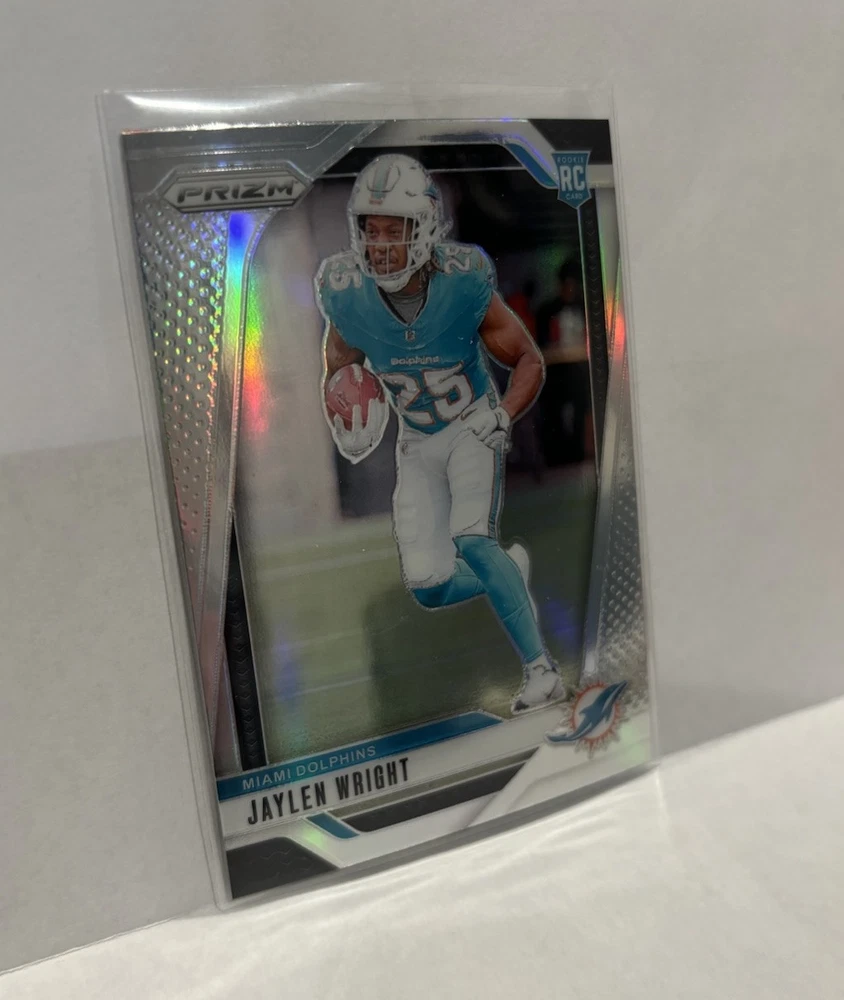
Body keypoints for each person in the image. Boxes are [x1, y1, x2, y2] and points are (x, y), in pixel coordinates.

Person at [314, 154, 566, 714]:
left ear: (425, 229)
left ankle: (542, 672)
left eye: (394, 230)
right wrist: (345, 409)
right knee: (428, 587)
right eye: (371, 231)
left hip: (469, 424)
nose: (380, 246)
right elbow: (340, 367)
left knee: (472, 539)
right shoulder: (345, 290)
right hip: (416, 441)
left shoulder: (463, 280)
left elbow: (528, 359)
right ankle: (506, 571)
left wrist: (501, 414)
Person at [536, 260, 591, 466]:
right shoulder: (548, 310)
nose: (570, 289)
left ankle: (577, 453)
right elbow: (542, 343)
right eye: (566, 284)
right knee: (554, 412)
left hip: (578, 368)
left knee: (579, 410)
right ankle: (557, 456)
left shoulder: (583, 308)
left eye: (573, 285)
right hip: (556, 370)